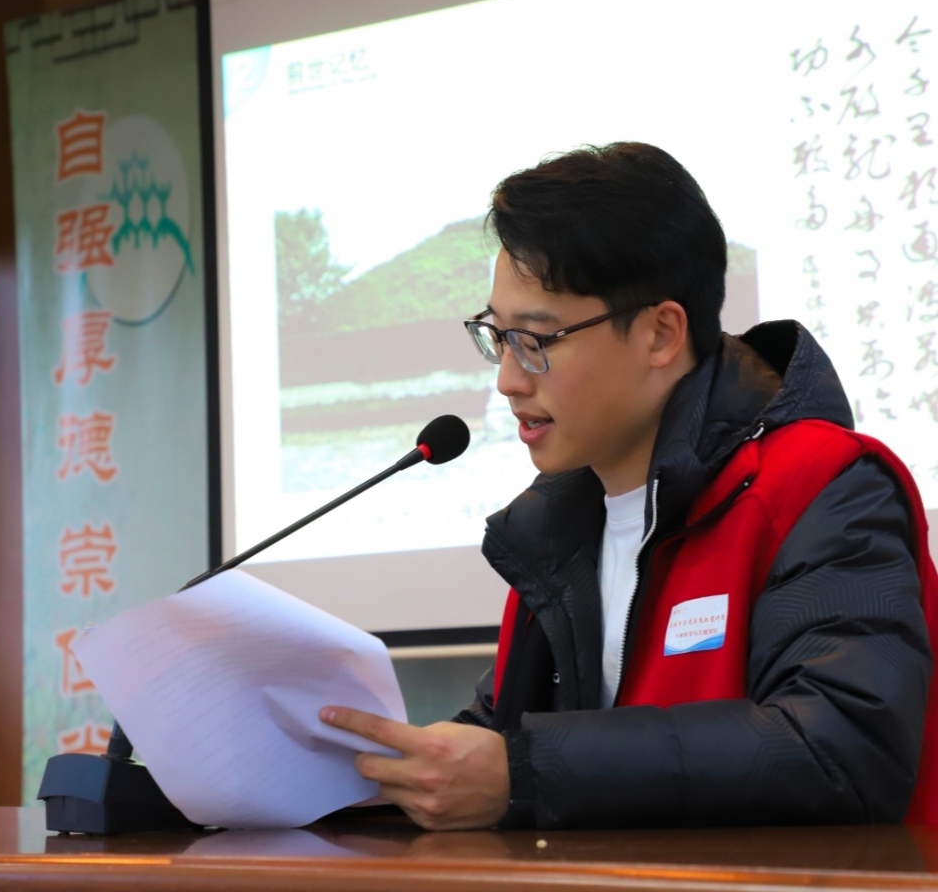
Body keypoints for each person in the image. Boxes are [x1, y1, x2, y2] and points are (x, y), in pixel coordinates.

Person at [320, 142, 936, 830]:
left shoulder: (821, 484)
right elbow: (496, 750)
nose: (508, 381)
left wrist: (526, 772)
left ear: (660, 334)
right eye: (497, 337)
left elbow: (840, 748)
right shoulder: (554, 531)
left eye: (536, 340)